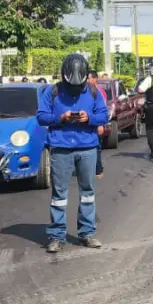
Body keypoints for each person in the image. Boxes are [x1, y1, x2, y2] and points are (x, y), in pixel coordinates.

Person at [37, 54, 109, 253]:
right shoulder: (52, 91)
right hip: (60, 149)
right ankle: (57, 235)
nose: (76, 90)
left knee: (88, 193)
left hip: (87, 149)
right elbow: (41, 117)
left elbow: (104, 115)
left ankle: (87, 233)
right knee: (59, 195)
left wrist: (90, 118)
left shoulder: (94, 92)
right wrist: (60, 117)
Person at [87, 70, 108, 179]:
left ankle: (98, 169)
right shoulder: (86, 90)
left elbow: (102, 110)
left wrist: (100, 124)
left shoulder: (99, 91)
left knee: (97, 147)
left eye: (89, 78)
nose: (87, 80)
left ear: (95, 79)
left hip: (97, 122)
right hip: (88, 122)